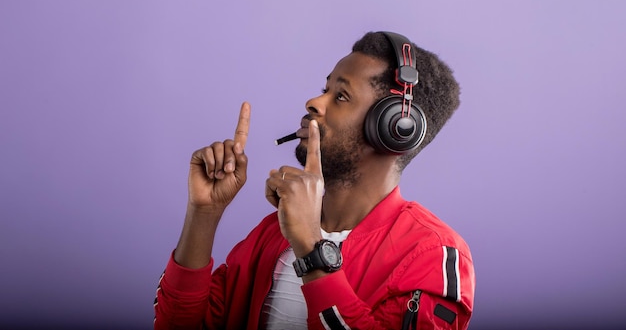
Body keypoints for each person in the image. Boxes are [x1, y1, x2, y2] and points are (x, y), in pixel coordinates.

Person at [153, 31, 475, 329]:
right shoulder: (272, 234)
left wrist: (310, 246)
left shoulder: (432, 254)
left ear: (395, 128)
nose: (314, 102)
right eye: (326, 89)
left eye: (342, 96)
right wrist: (203, 214)